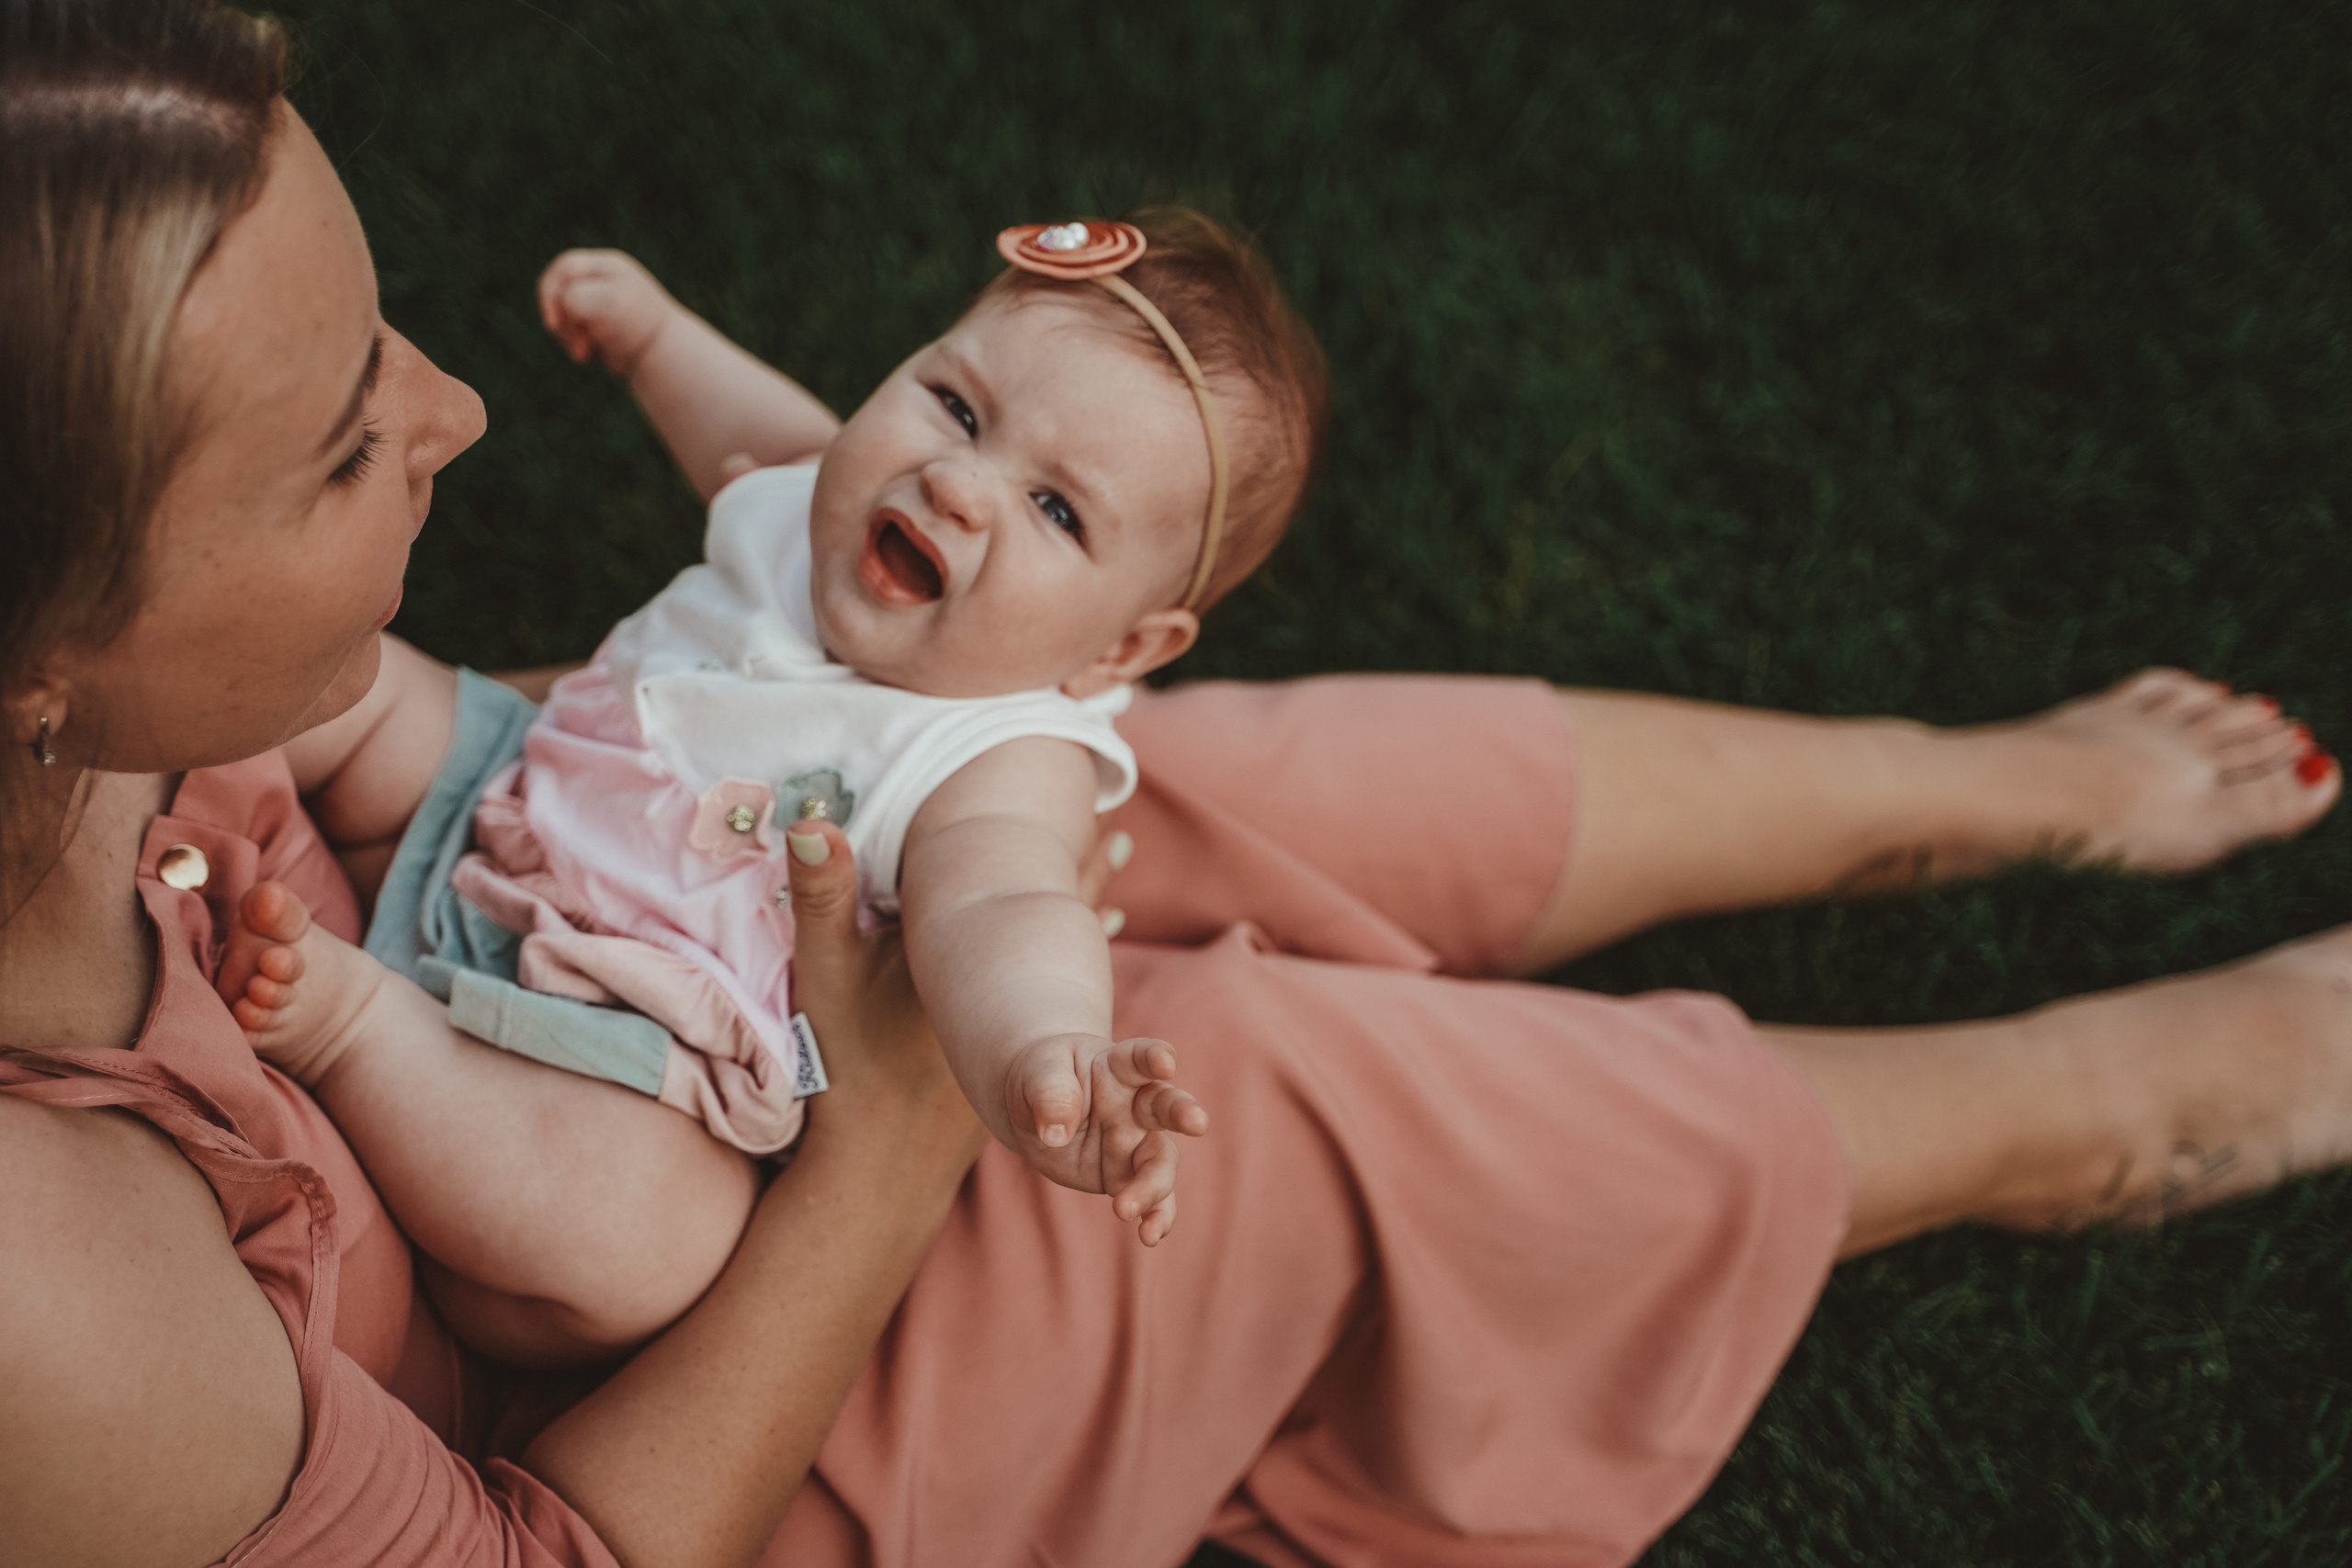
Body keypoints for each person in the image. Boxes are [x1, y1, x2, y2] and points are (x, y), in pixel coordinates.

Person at [5, 4, 2348, 1565]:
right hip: (623, 1370)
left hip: (552, 897)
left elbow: (716, 607)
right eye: (340, 441)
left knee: (1159, 771)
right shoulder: (39, 1267)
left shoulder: (95, 715)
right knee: (1255, 1070)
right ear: (43, 659)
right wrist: (928, 1106)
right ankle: (2069, 1103)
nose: (459, 410)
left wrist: (780, 745)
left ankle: (1931, 785)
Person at [214, 211, 1327, 1364]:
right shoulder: (822, 502)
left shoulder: (995, 754)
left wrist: (1040, 1053)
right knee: (374, 697)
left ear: (1123, 654)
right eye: (954, 405)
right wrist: (653, 338)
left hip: (634, 1043)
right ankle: (180, 713)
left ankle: (349, 1025)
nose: (955, 483)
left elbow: (1006, 909)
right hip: (502, 793)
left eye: (1055, 509)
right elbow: (763, 431)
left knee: (648, 1235)